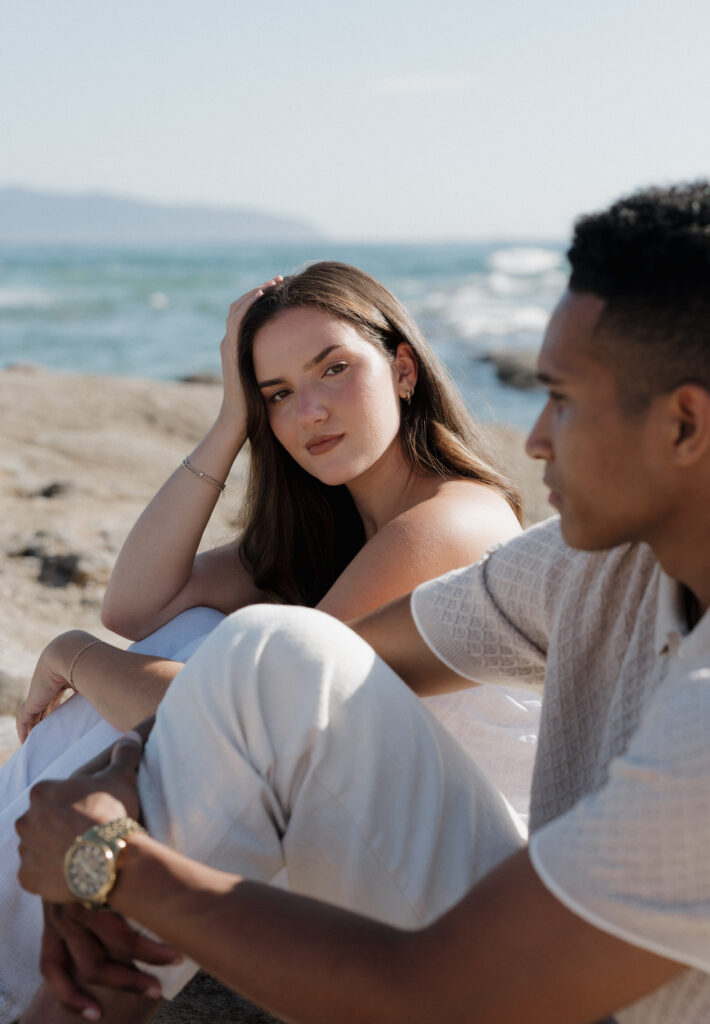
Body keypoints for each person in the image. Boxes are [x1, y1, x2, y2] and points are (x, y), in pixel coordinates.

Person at [20, 179, 710, 1024]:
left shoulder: (699, 725)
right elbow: (276, 679)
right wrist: (120, 778)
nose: (532, 440)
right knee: (260, 643)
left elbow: (436, 990)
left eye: (561, 401)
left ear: (685, 426)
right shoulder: (591, 570)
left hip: (525, 982)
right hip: (456, 902)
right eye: (277, 392)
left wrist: (105, 858)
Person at [2, 262, 537, 1022]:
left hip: (459, 882)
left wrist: (73, 654)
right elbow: (137, 605)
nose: (309, 412)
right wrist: (231, 419)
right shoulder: (334, 535)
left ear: (404, 368)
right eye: (279, 394)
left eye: (335, 370)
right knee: (191, 632)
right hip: (362, 842)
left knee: (172, 665)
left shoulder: (449, 521)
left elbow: (250, 719)